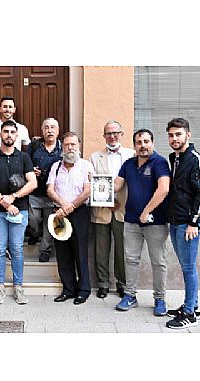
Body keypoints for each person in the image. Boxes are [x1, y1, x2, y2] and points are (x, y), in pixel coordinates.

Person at [114, 129, 170, 316]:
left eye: (146, 141)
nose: (143, 145)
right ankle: (130, 296)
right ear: (134, 145)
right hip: (131, 221)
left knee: (158, 262)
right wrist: (96, 185)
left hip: (156, 222)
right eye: (139, 142)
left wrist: (147, 211)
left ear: (152, 143)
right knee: (130, 260)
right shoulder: (128, 164)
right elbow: (116, 185)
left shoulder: (160, 162)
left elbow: (163, 189)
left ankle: (160, 299)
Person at [165, 118, 200, 329]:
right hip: (175, 221)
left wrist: (194, 222)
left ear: (188, 135)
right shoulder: (174, 158)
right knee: (187, 267)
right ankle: (193, 305)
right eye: (171, 135)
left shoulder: (196, 160)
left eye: (178, 134)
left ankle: (189, 314)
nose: (174, 138)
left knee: (188, 268)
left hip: (188, 225)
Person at [0, 120, 37, 305]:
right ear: (0, 134)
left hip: (19, 210)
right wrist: (5, 203)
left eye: (12, 132)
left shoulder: (24, 158)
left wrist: (13, 197)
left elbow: (33, 183)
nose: (9, 135)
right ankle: (0, 287)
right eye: (6, 132)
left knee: (17, 249)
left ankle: (18, 287)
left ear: (17, 135)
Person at [47, 132, 94, 305]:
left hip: (79, 213)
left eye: (73, 144)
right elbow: (50, 190)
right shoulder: (56, 167)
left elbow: (88, 190)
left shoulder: (86, 166)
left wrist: (71, 206)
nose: (70, 148)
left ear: (79, 146)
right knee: (63, 252)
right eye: (67, 145)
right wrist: (63, 205)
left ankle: (83, 290)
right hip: (59, 214)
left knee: (80, 252)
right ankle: (68, 289)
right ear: (62, 147)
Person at [90, 121, 135, 298]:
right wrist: (108, 201)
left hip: (124, 209)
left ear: (121, 134)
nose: (112, 136)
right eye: (108, 133)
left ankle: (122, 284)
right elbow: (94, 183)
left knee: (122, 250)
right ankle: (102, 284)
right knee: (101, 249)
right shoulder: (94, 157)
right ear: (104, 136)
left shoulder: (131, 155)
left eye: (115, 133)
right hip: (102, 209)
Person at [27, 118, 63, 262]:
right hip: (34, 192)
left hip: (53, 194)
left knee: (49, 224)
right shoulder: (34, 146)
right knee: (33, 220)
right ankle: (34, 234)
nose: (50, 130)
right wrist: (30, 170)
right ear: (42, 131)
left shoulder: (62, 148)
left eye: (53, 127)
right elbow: (25, 162)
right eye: (46, 127)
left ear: (58, 131)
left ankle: (45, 251)